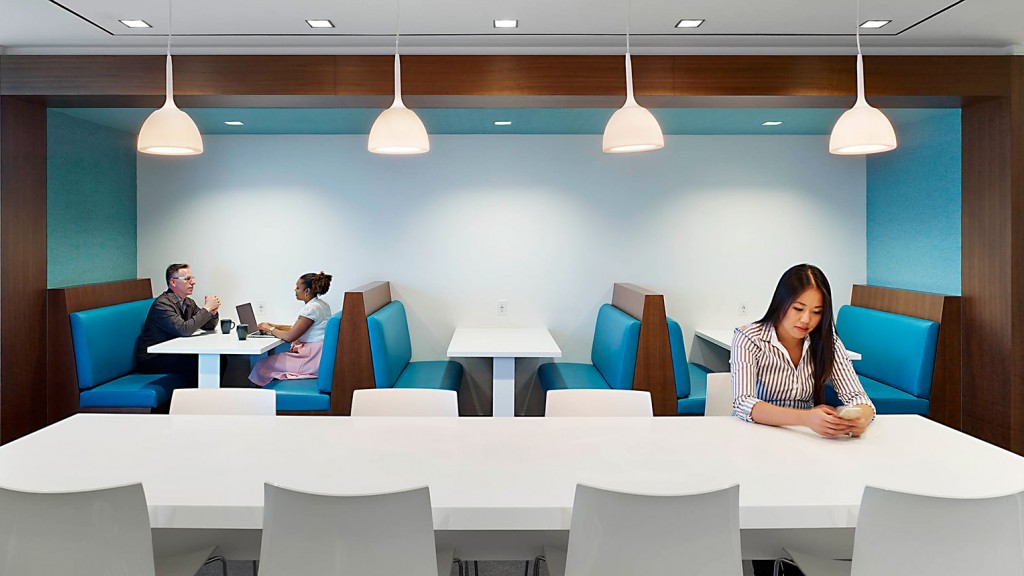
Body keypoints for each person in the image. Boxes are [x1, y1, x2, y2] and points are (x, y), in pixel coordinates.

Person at [731, 263, 875, 438]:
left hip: (806, 436)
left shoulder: (828, 341)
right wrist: (805, 418)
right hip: (758, 432)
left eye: (817, 312)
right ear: (780, 303)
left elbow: (859, 398)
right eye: (798, 309)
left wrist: (860, 420)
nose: (806, 320)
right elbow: (743, 403)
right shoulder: (749, 337)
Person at [136, 263, 221, 381]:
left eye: (192, 278)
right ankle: (196, 399)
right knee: (199, 365)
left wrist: (212, 312)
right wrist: (206, 309)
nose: (193, 282)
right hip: (153, 358)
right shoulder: (162, 304)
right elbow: (184, 329)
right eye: (187, 279)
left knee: (219, 360)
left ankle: (210, 397)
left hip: (172, 352)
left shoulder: (188, 302)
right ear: (173, 282)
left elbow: (209, 326)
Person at [249, 272, 333, 386]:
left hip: (311, 359)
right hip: (318, 355)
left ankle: (259, 398)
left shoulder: (311, 309)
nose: (295, 290)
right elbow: (297, 328)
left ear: (307, 291)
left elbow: (289, 337)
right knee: (270, 361)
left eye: (298, 287)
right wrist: (274, 326)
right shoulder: (321, 305)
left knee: (263, 364)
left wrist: (270, 329)